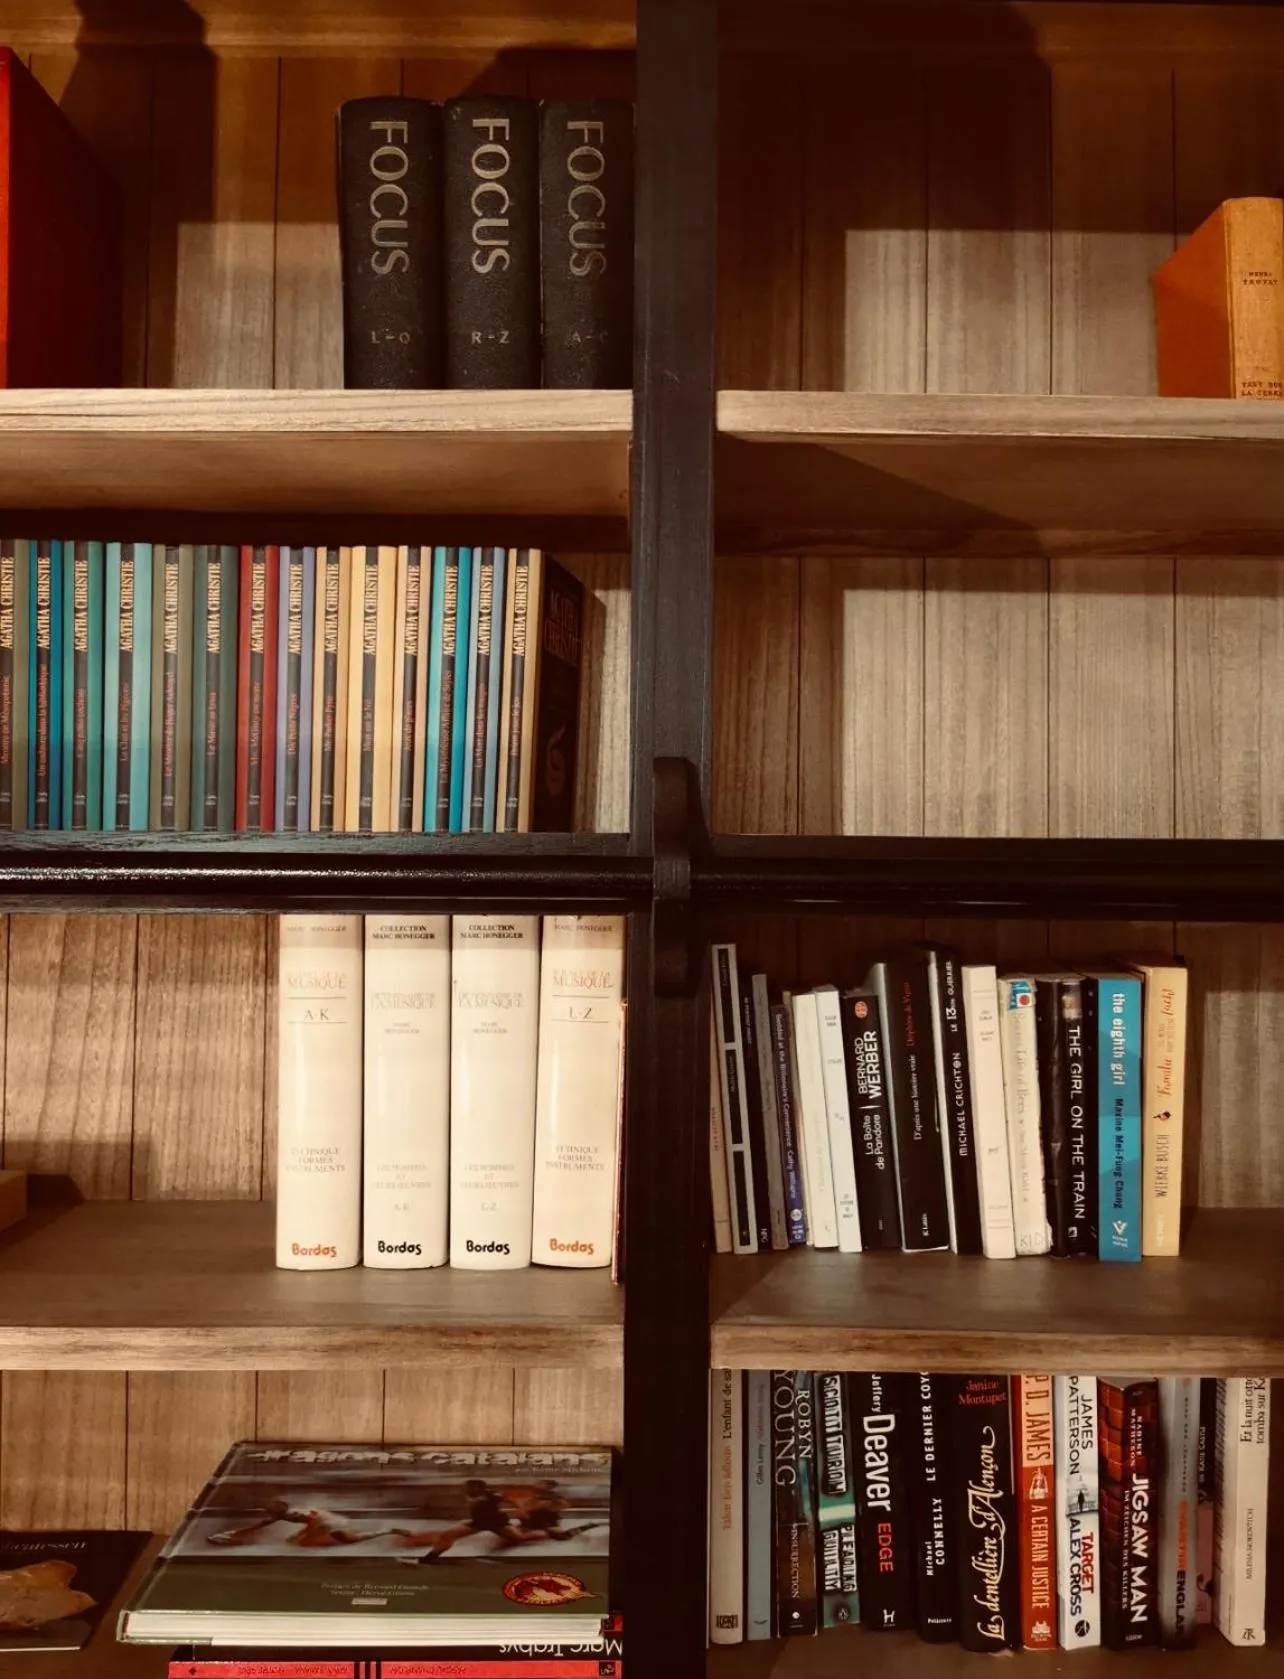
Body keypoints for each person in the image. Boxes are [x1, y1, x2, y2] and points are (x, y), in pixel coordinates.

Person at [394, 1478, 554, 1564]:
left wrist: (521, 1510)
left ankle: (547, 1533)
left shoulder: (491, 1494)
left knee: (519, 1538)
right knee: (447, 1536)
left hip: (495, 1522)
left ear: (477, 1488)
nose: (465, 1489)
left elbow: (510, 1499)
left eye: (468, 1487)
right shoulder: (474, 1495)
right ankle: (425, 1560)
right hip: (477, 1522)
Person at [207, 1498, 392, 1549]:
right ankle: (384, 1531)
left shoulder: (294, 1513)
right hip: (324, 1523)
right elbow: (259, 1525)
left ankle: (385, 1532)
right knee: (347, 1540)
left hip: (331, 1522)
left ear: (278, 1510)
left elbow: (313, 1520)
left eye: (271, 1512)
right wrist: (231, 1534)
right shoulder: (281, 1515)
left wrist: (300, 1535)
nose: (269, 1515)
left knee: (349, 1540)